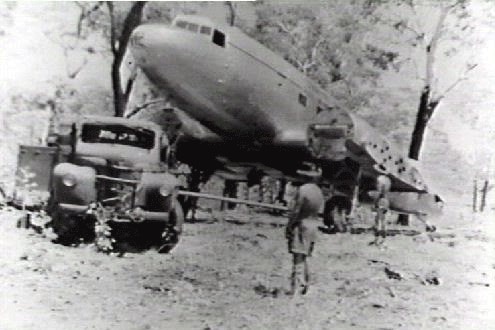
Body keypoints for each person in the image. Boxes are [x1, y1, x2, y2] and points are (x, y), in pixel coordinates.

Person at [285, 182, 324, 296]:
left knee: (297, 256)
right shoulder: (318, 190)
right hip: (313, 224)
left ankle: (295, 288)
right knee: (306, 256)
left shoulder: (303, 190)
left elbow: (297, 210)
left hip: (302, 224)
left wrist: (290, 225)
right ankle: (308, 285)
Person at [371, 174, 391, 246]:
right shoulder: (380, 196)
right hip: (381, 211)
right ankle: (378, 240)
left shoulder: (383, 197)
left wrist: (378, 210)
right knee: (379, 225)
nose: (377, 185)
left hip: (382, 211)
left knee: (381, 225)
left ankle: (381, 240)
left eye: (378, 184)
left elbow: (383, 206)